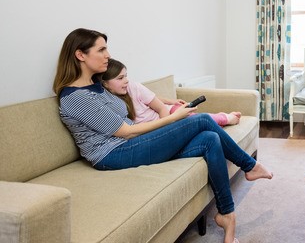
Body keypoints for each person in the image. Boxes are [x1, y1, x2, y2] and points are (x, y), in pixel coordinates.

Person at [53, 28, 272, 243]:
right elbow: (126, 131)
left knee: (210, 139)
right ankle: (249, 165)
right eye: (101, 50)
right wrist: (174, 119)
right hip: (112, 154)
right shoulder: (74, 97)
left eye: (106, 49)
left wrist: (168, 103)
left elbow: (136, 97)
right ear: (80, 55)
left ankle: (226, 214)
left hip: (128, 144)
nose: (108, 55)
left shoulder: (97, 86)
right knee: (202, 120)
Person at [99, 58, 241, 126]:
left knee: (202, 120)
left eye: (126, 76)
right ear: (105, 83)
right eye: (120, 78)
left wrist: (171, 105)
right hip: (159, 123)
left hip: (168, 113)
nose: (126, 80)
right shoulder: (104, 101)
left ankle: (227, 118)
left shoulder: (133, 87)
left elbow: (157, 104)